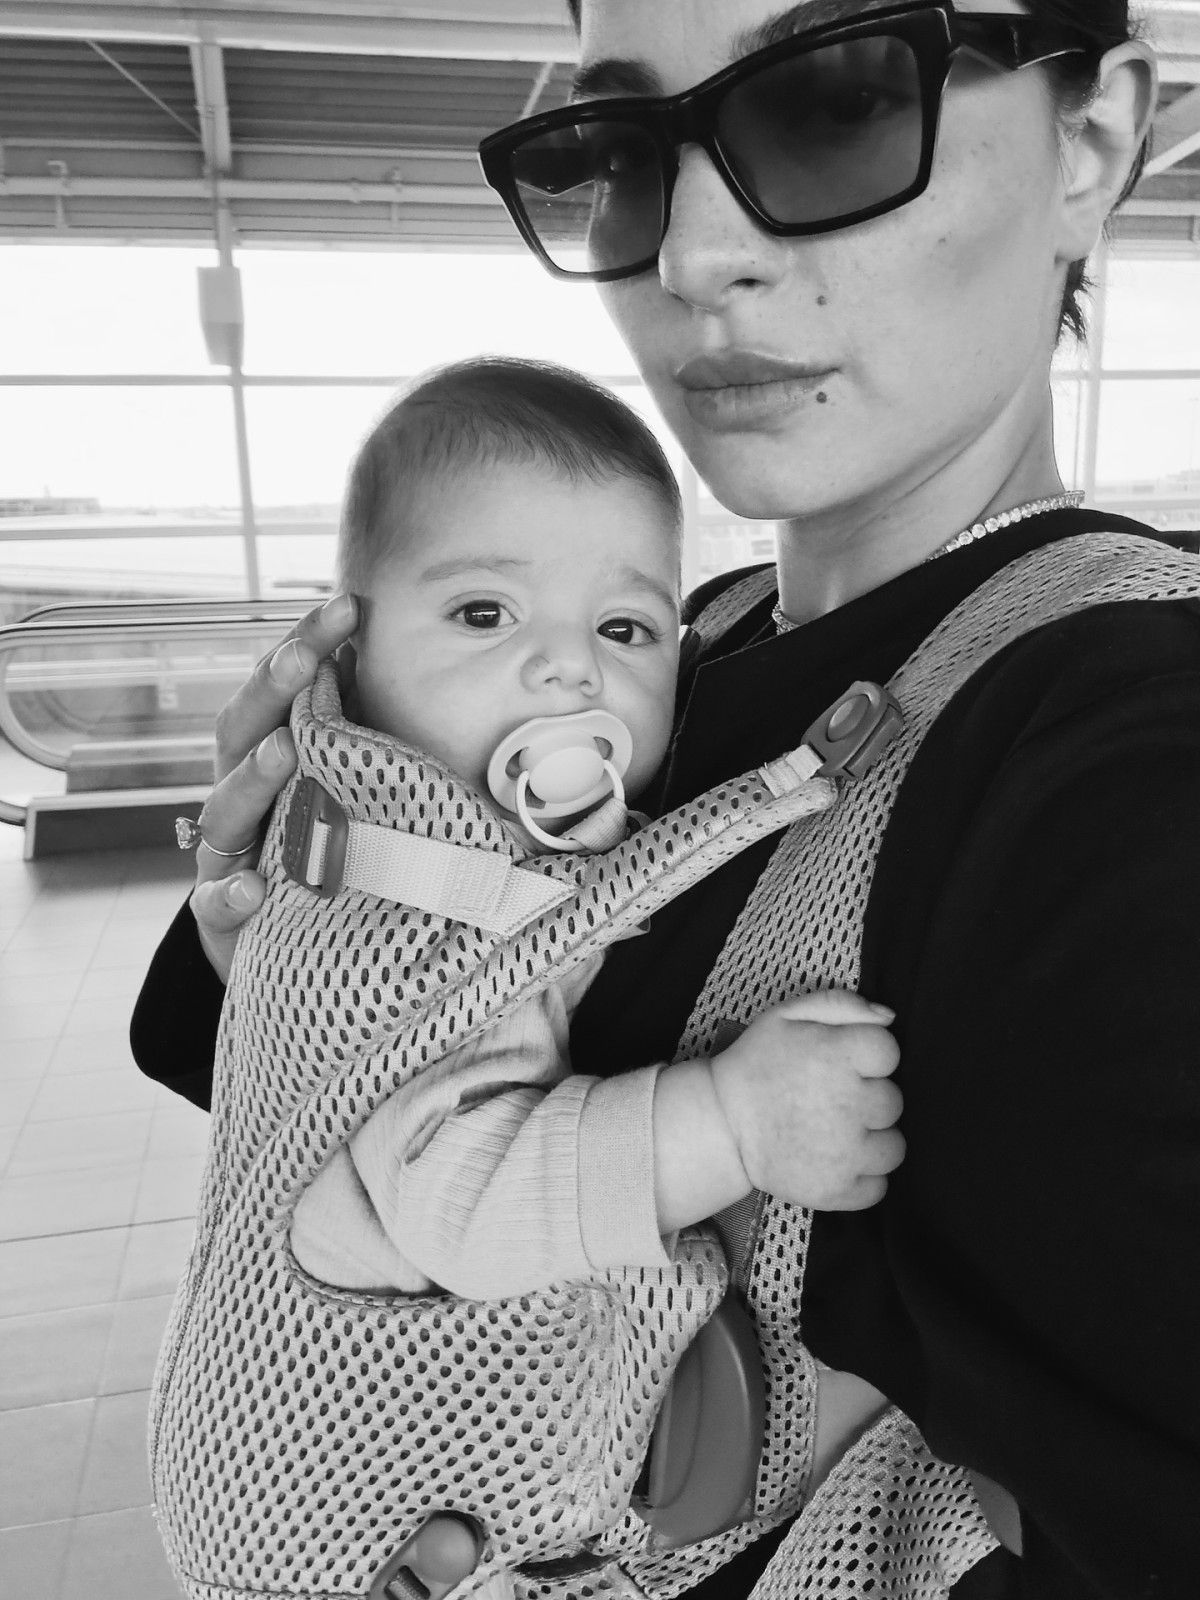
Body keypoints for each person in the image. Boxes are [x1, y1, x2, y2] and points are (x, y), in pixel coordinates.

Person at [131, 2, 1200, 1596]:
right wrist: (299, 939)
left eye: (833, 103)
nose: (693, 254)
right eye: (624, 152)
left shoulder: (1126, 752)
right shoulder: (685, 644)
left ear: (1094, 139)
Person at [279, 354, 901, 1300]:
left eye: (623, 629)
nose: (572, 666)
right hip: (402, 1386)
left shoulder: (474, 834)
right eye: (484, 612)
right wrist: (728, 1123)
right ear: (350, 650)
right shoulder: (418, 897)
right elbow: (459, 1209)